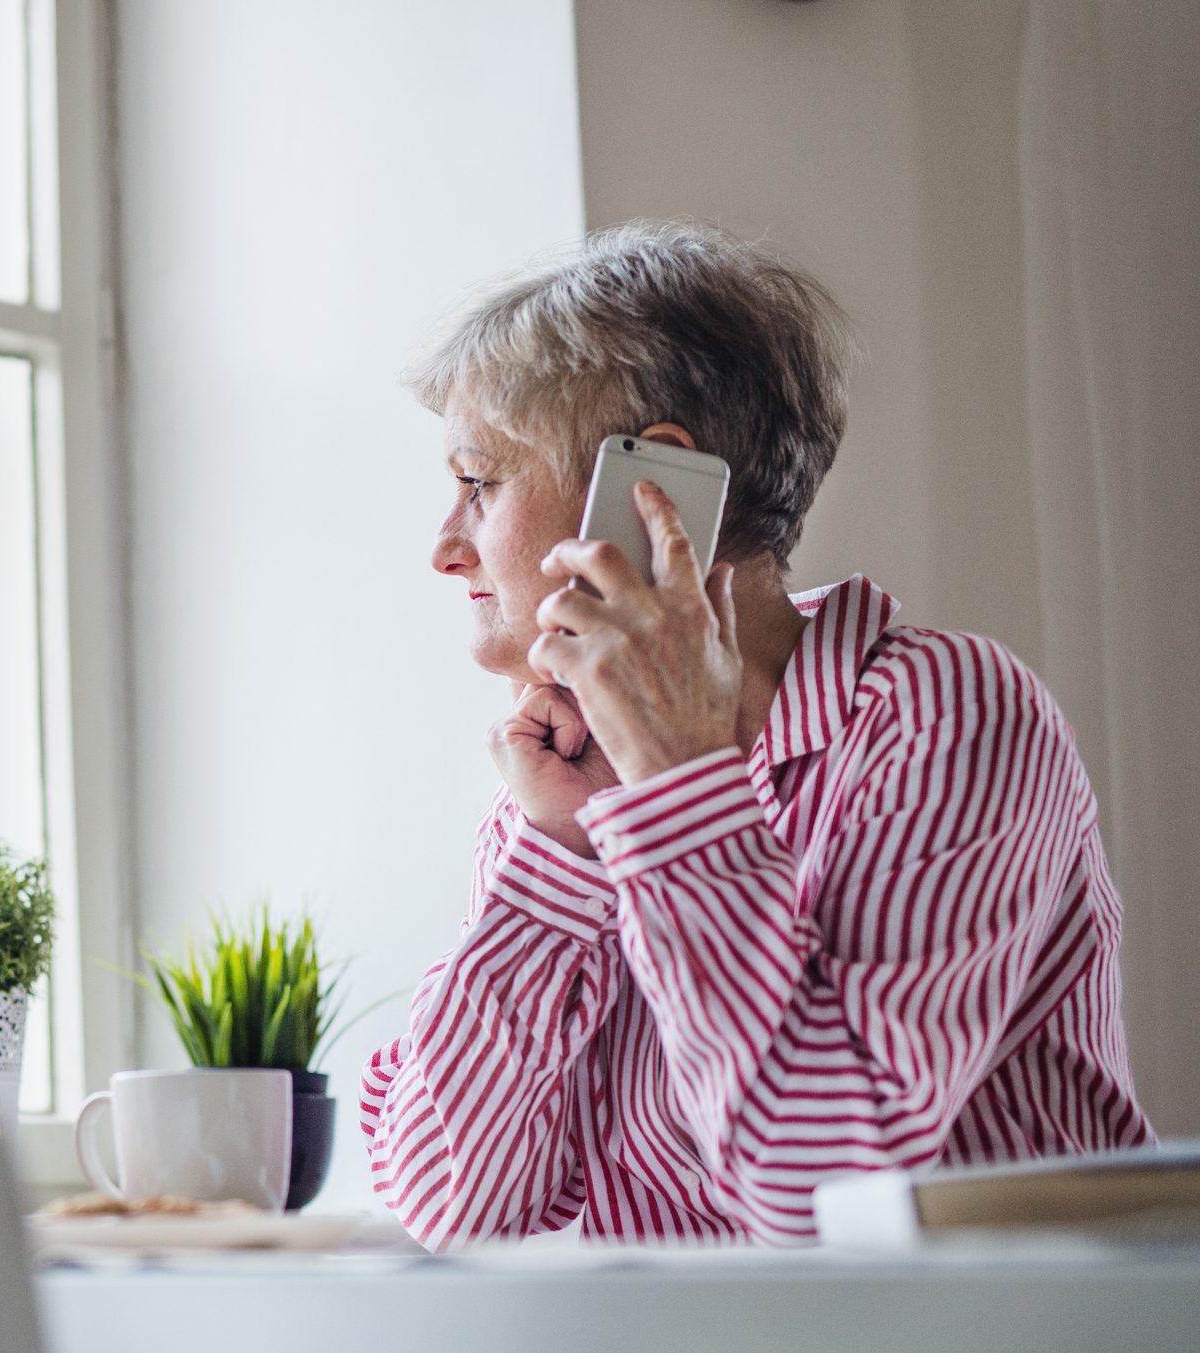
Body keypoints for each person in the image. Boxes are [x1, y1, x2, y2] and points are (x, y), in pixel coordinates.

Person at [359, 221, 1152, 1248]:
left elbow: (824, 1198)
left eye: (480, 481)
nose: (443, 546)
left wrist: (676, 788)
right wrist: (555, 857)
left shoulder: (944, 713)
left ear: (654, 495)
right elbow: (449, 1204)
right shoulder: (566, 772)